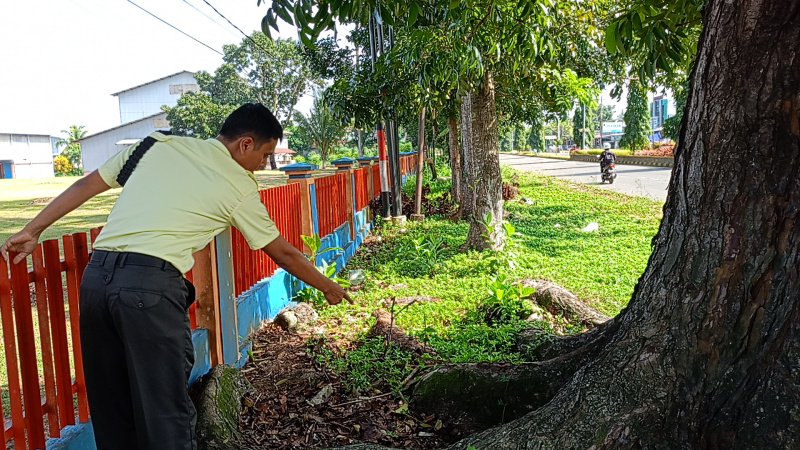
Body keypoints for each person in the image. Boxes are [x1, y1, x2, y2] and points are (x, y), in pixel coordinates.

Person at [0, 103, 352, 450]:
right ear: (244, 144)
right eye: (265, 155)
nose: (263, 165)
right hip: (149, 289)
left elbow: (86, 184)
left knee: (113, 410)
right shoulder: (237, 185)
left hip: (95, 282)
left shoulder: (155, 145)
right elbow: (283, 252)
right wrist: (329, 286)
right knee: (165, 414)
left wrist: (33, 230)